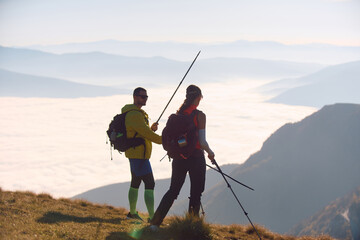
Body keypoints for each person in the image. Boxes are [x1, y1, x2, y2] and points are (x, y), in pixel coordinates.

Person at [150, 84, 215, 228]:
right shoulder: (200, 115)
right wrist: (211, 153)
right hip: (196, 158)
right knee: (196, 193)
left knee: (173, 191)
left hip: (179, 158)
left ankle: (155, 223)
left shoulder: (178, 115)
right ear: (198, 98)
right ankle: (191, 226)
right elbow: (202, 142)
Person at [122, 87, 162, 221]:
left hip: (136, 153)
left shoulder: (137, 113)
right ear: (135, 97)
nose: (145, 99)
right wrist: (165, 141)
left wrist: (151, 129)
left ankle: (132, 214)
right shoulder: (135, 115)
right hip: (139, 155)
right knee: (150, 183)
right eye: (142, 97)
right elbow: (147, 134)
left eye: (146, 97)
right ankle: (152, 218)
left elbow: (142, 132)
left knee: (135, 182)